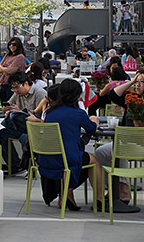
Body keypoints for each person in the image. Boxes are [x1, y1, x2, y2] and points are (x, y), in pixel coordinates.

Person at [95, 71, 144, 203]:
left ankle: (123, 191)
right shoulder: (133, 99)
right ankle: (114, 188)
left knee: (120, 149)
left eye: (142, 82)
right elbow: (113, 95)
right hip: (129, 145)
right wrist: (131, 82)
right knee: (101, 152)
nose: (138, 85)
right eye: (137, 82)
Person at [38, 79, 103, 211]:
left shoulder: (50, 113)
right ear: (77, 96)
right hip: (66, 159)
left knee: (73, 157)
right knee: (93, 161)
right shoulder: (78, 113)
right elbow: (91, 129)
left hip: (47, 158)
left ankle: (67, 196)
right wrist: (95, 120)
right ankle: (100, 199)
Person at [0, 71, 47, 175]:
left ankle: (30, 167)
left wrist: (19, 111)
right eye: (13, 88)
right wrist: (6, 109)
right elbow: (10, 104)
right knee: (2, 134)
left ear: (25, 83)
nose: (15, 91)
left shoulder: (40, 93)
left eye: (17, 87)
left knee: (25, 137)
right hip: (19, 126)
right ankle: (15, 165)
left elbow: (41, 116)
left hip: (35, 128)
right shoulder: (17, 94)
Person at [0, 37, 26, 104]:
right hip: (4, 82)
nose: (11, 46)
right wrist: (5, 69)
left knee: (10, 104)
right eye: (10, 44)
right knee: (3, 103)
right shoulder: (7, 55)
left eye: (14, 44)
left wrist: (3, 68)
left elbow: (10, 71)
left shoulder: (20, 57)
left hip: (13, 84)